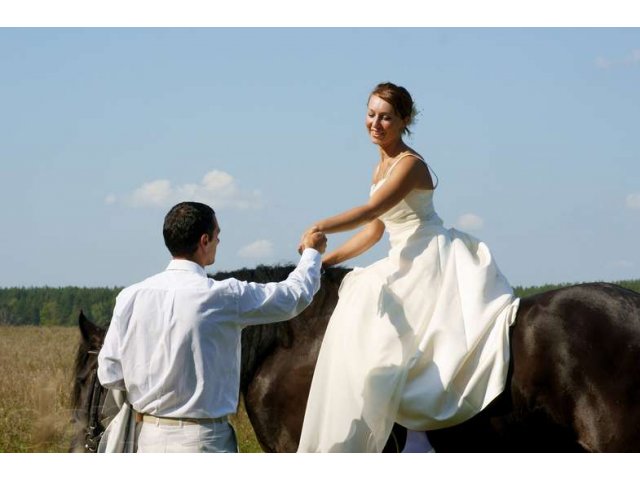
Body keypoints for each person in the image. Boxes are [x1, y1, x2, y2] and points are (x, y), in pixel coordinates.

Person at [296, 82, 520, 452]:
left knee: (404, 338)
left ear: (404, 120)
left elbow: (369, 211)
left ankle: (421, 436)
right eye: (371, 114)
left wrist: (320, 227)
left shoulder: (410, 165)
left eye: (385, 117)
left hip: (428, 254)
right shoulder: (379, 167)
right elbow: (374, 231)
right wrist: (325, 260)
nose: (375, 123)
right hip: (401, 254)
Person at [97, 201, 327, 453]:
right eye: (218, 236)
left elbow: (109, 373)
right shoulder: (222, 296)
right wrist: (312, 254)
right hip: (204, 440)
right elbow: (293, 296)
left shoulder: (129, 297)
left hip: (147, 439)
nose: (219, 242)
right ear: (204, 241)